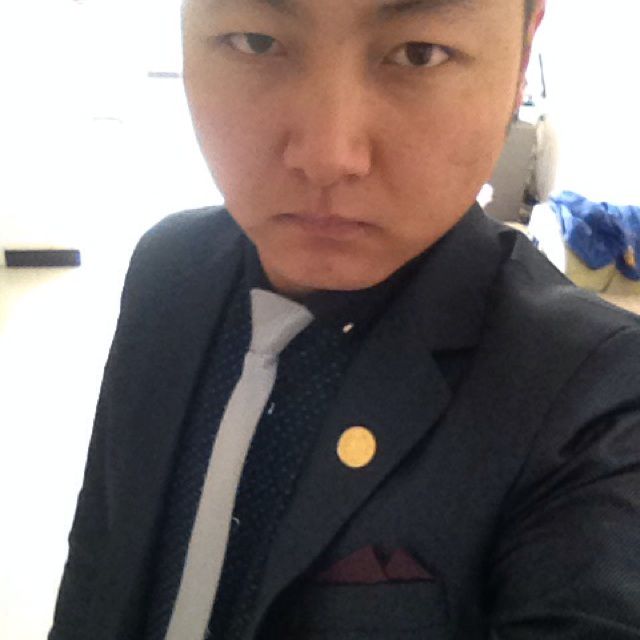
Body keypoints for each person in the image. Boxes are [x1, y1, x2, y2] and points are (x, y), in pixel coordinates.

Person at [49, 0, 640, 638]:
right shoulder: (168, 267)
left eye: (419, 54)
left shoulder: (596, 397)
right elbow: (100, 561)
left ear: (522, 58)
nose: (327, 156)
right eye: (255, 41)